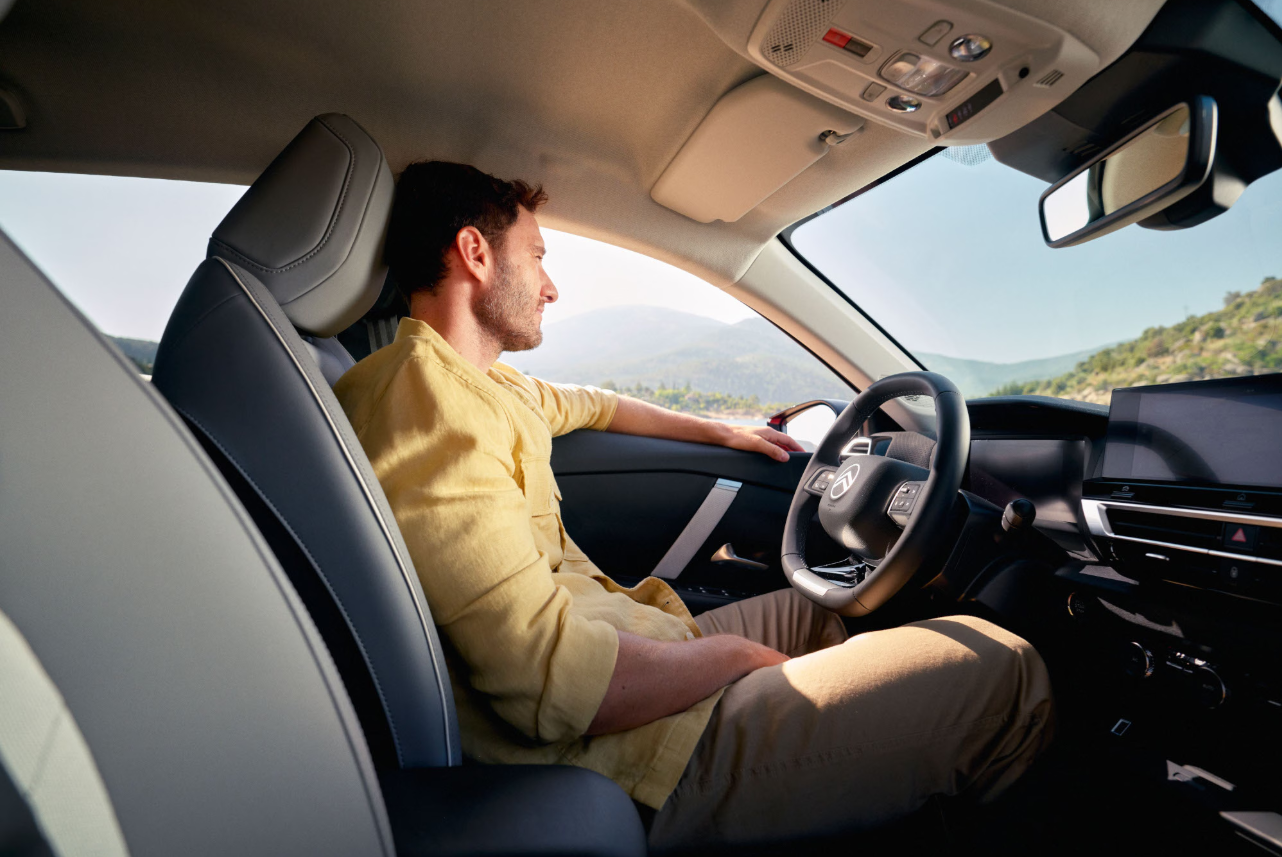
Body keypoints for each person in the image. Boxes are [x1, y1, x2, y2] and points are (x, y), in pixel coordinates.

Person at [333, 161, 1054, 851]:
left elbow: (596, 405)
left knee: (823, 609)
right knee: (1005, 672)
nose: (550, 286)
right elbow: (550, 686)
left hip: (633, 647)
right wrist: (734, 657)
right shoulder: (431, 408)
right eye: (537, 255)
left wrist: (719, 429)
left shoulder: (484, 386)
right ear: (475, 254)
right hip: (620, 751)